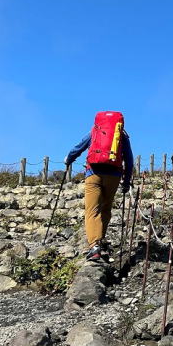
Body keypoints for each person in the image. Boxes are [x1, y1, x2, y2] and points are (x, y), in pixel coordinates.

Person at [65, 111, 133, 262]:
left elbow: (78, 148)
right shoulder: (122, 136)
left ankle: (94, 246)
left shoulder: (95, 131)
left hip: (93, 173)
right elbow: (129, 160)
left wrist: (68, 159)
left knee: (92, 211)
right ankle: (100, 240)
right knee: (106, 208)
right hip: (114, 176)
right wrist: (126, 182)